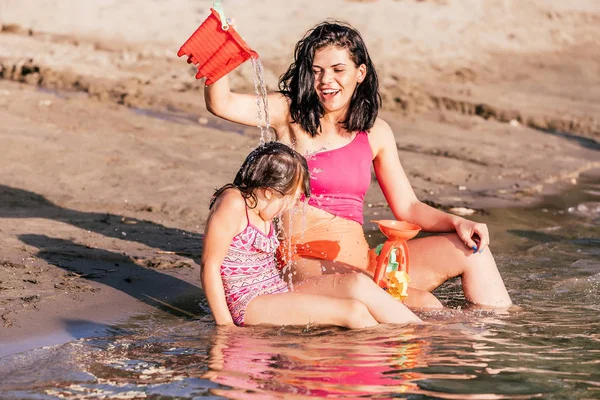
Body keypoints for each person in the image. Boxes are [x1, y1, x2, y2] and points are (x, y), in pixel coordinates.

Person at [202, 21, 512, 309]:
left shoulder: (376, 132)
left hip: (365, 260)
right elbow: (222, 103)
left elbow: (407, 207)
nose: (326, 81)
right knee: (426, 305)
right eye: (317, 71)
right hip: (304, 260)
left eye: (338, 69)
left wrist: (457, 222)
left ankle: (497, 343)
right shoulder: (289, 113)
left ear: (359, 73)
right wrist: (219, 47)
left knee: (473, 251)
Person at [201, 141, 422, 328]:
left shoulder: (260, 205)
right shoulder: (233, 204)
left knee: (357, 284)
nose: (290, 207)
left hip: (275, 289)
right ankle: (396, 351)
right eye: (289, 199)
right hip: (249, 303)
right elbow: (209, 266)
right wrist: (225, 327)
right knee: (353, 312)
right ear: (269, 191)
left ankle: (419, 331)